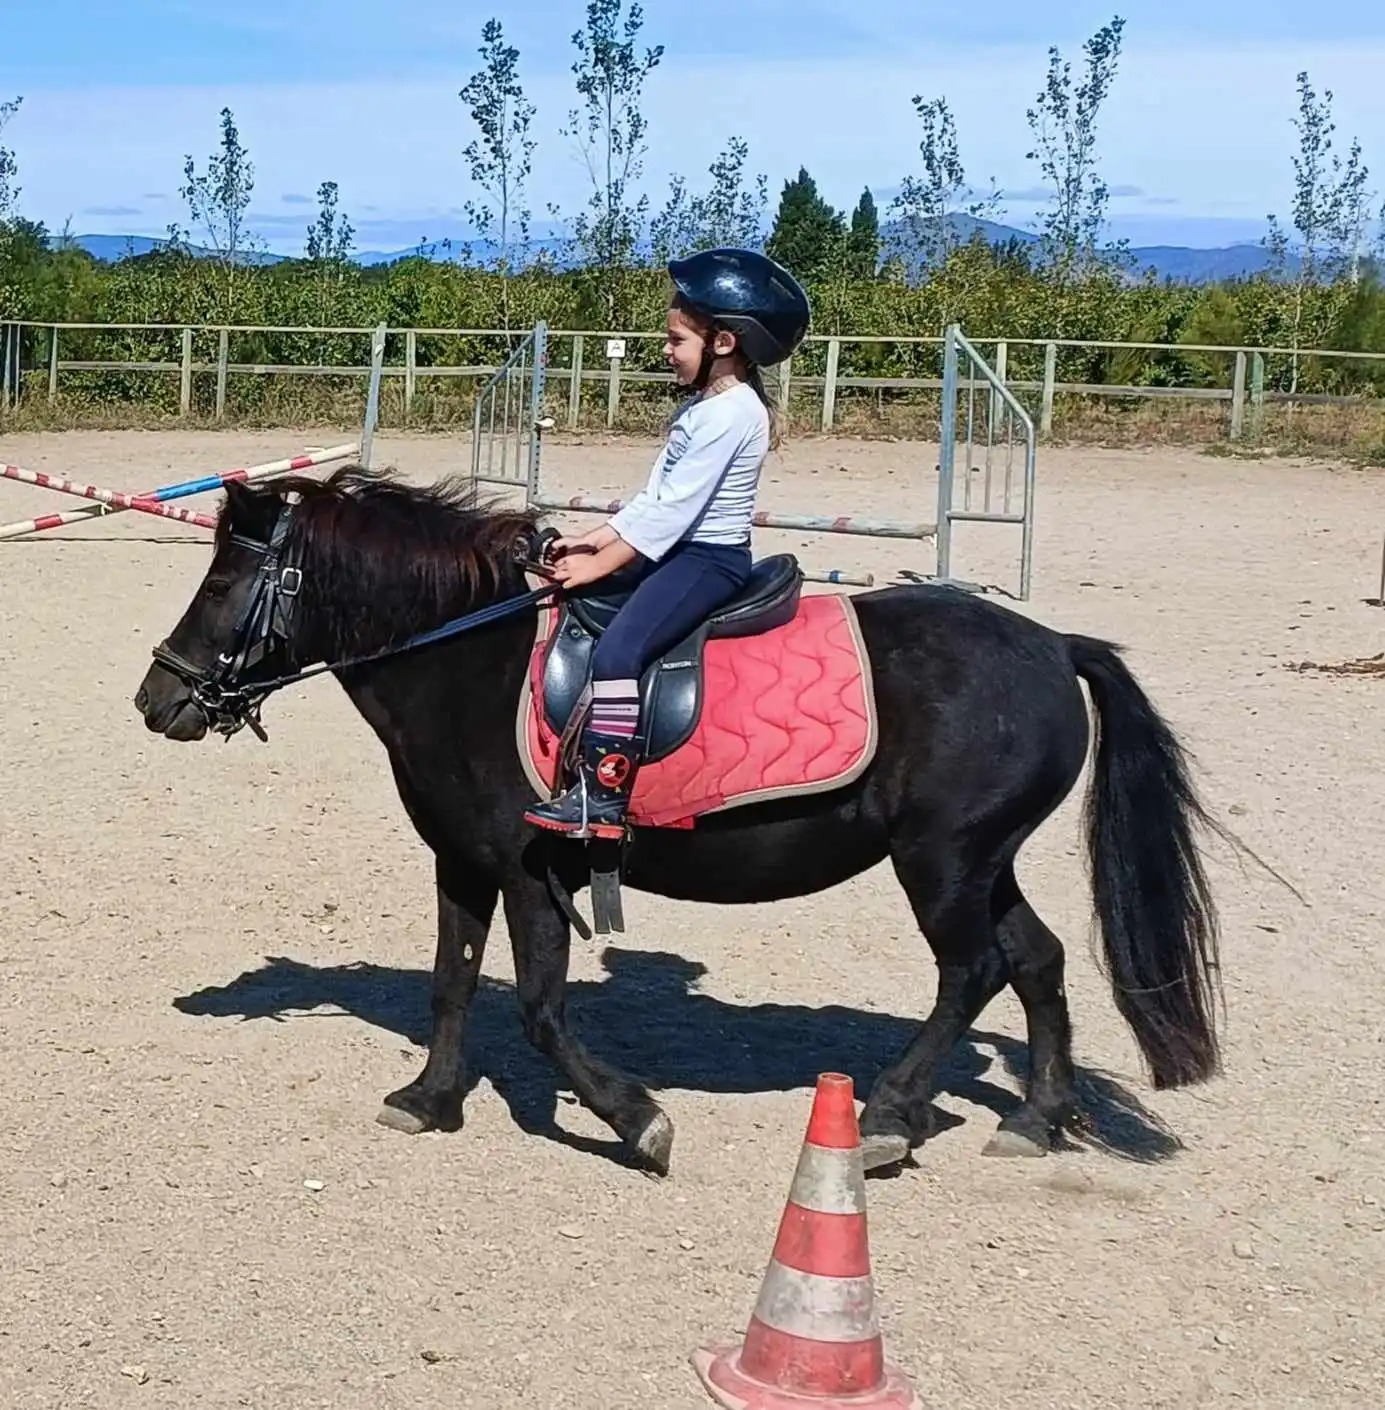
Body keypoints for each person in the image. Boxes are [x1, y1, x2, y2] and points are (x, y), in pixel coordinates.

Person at [523, 246, 812, 840]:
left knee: (618, 652)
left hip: (709, 560)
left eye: (677, 340)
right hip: (678, 548)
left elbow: (675, 513)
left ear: (724, 344)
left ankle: (603, 793)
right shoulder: (706, 407)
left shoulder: (732, 415)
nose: (667, 351)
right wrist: (591, 538)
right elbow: (653, 498)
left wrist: (601, 562)